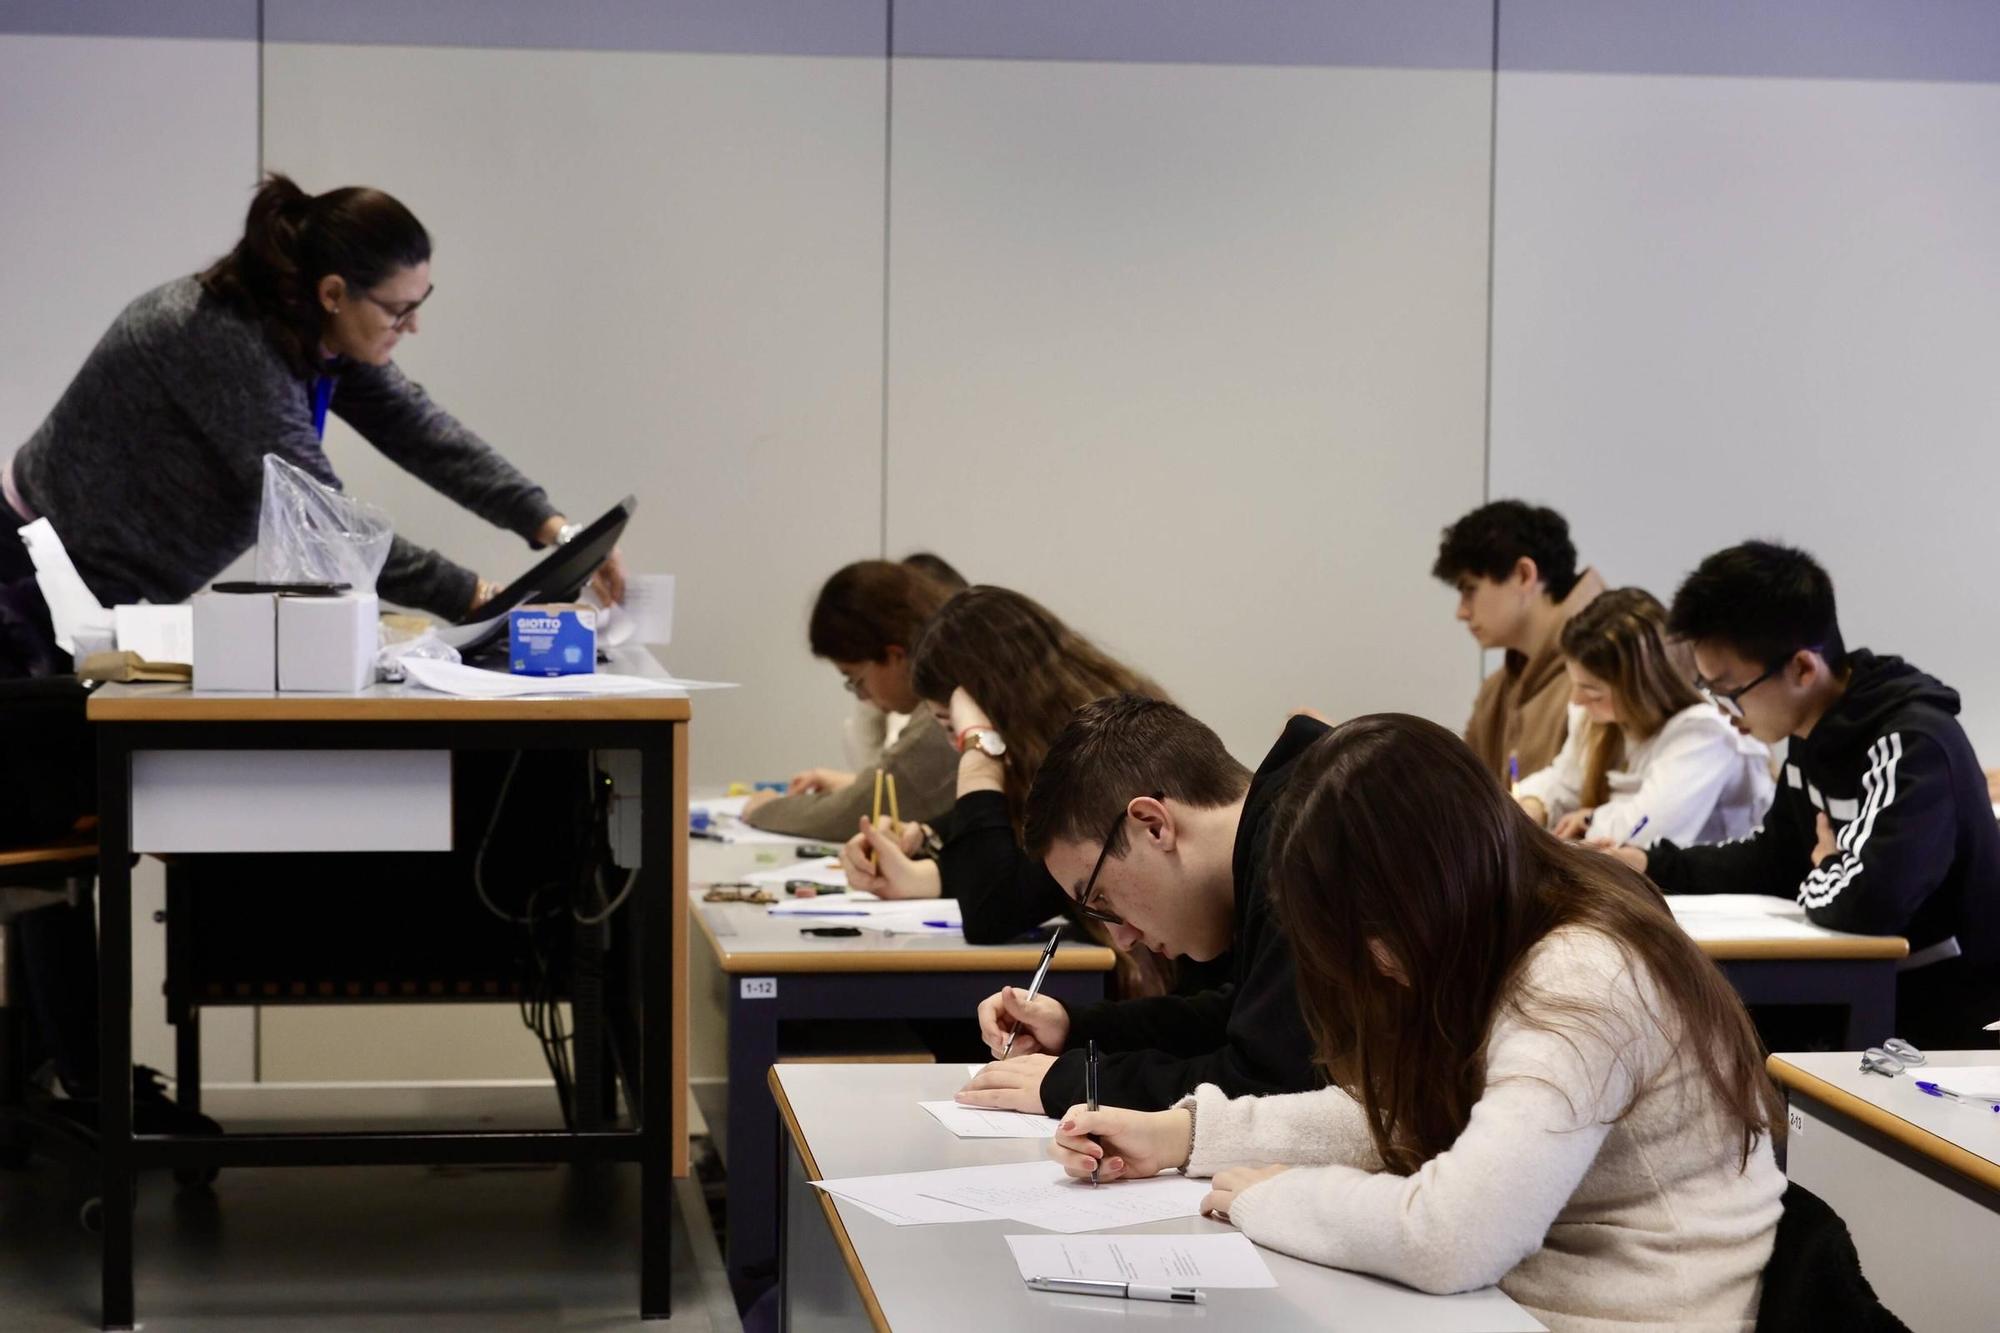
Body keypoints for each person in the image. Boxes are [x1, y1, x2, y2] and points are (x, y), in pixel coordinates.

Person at [1050, 714, 1784, 1330]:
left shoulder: (1582, 977)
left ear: (1425, 888)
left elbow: (1453, 1236)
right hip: (1526, 1298)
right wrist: (1182, 1136)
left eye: (1362, 933)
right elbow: (1400, 1119)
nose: (1372, 966)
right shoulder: (1502, 935)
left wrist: (1271, 1197)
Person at [1, 171, 621, 680]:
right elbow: (324, 520)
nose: (411, 329)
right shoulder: (219, 336)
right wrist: (481, 601)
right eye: (399, 311)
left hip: (105, 588)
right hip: (28, 584)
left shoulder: (308, 331)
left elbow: (423, 432)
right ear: (333, 293)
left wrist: (557, 530)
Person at [1608, 541, 2000, 1049]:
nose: (1723, 710)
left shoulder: (1912, 740)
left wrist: (1825, 866)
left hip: (1948, 1024)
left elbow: (1870, 902)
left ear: (1801, 669)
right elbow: (1774, 860)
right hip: (1871, 997)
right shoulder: (1810, 737)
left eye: (1728, 689)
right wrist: (1649, 865)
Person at [954, 694, 1323, 1119]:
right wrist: (1076, 1029)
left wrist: (1078, 1084)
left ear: (1153, 824)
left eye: (1102, 898)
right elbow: (1246, 1021)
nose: (1123, 939)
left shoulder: (1306, 847)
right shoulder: (1280, 829)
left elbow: (1271, 1084)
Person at [836, 586, 1169, 950]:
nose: (956, 742)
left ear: (999, 706)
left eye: (954, 726)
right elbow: (1024, 873)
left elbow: (989, 914)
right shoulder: (1072, 741)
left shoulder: (1104, 761)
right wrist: (923, 858)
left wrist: (979, 751)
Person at [1513, 587, 1774, 849]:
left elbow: (1645, 831)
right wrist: (1533, 805)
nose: (1576, 700)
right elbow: (1566, 781)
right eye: (1576, 684)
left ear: (1641, 687)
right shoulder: (1596, 718)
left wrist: (1592, 820)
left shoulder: (1705, 734)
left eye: (1592, 691)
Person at [738, 557, 962, 842]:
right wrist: (856, 785)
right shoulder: (963, 666)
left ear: (895, 655)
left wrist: (765, 808)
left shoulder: (944, 708)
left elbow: (857, 814)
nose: (863, 696)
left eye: (855, 678)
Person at [1432, 500, 1605, 784]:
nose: (1461, 612)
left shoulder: (1616, 671)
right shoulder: (1496, 691)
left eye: (1470, 589)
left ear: (1524, 575)